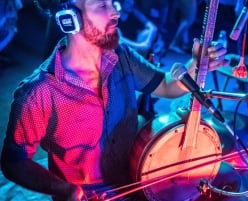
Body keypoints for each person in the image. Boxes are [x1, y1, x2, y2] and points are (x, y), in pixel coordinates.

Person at [0, 0, 228, 200]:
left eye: (112, 3)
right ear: (69, 19)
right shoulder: (38, 93)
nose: (115, 12)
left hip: (135, 181)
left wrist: (196, 64)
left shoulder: (121, 55)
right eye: (102, 5)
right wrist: (64, 190)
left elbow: (166, 85)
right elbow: (14, 162)